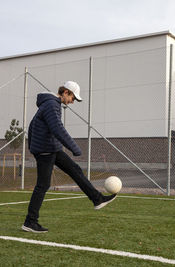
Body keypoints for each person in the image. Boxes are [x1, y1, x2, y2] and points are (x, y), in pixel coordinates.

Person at [22, 81, 117, 233]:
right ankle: (30, 221)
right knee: (43, 185)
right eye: (73, 97)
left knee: (75, 169)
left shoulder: (50, 104)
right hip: (45, 151)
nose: (73, 101)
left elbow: (32, 126)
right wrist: (74, 147)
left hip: (51, 149)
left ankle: (97, 199)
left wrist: (33, 147)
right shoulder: (52, 105)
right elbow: (57, 129)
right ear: (65, 92)